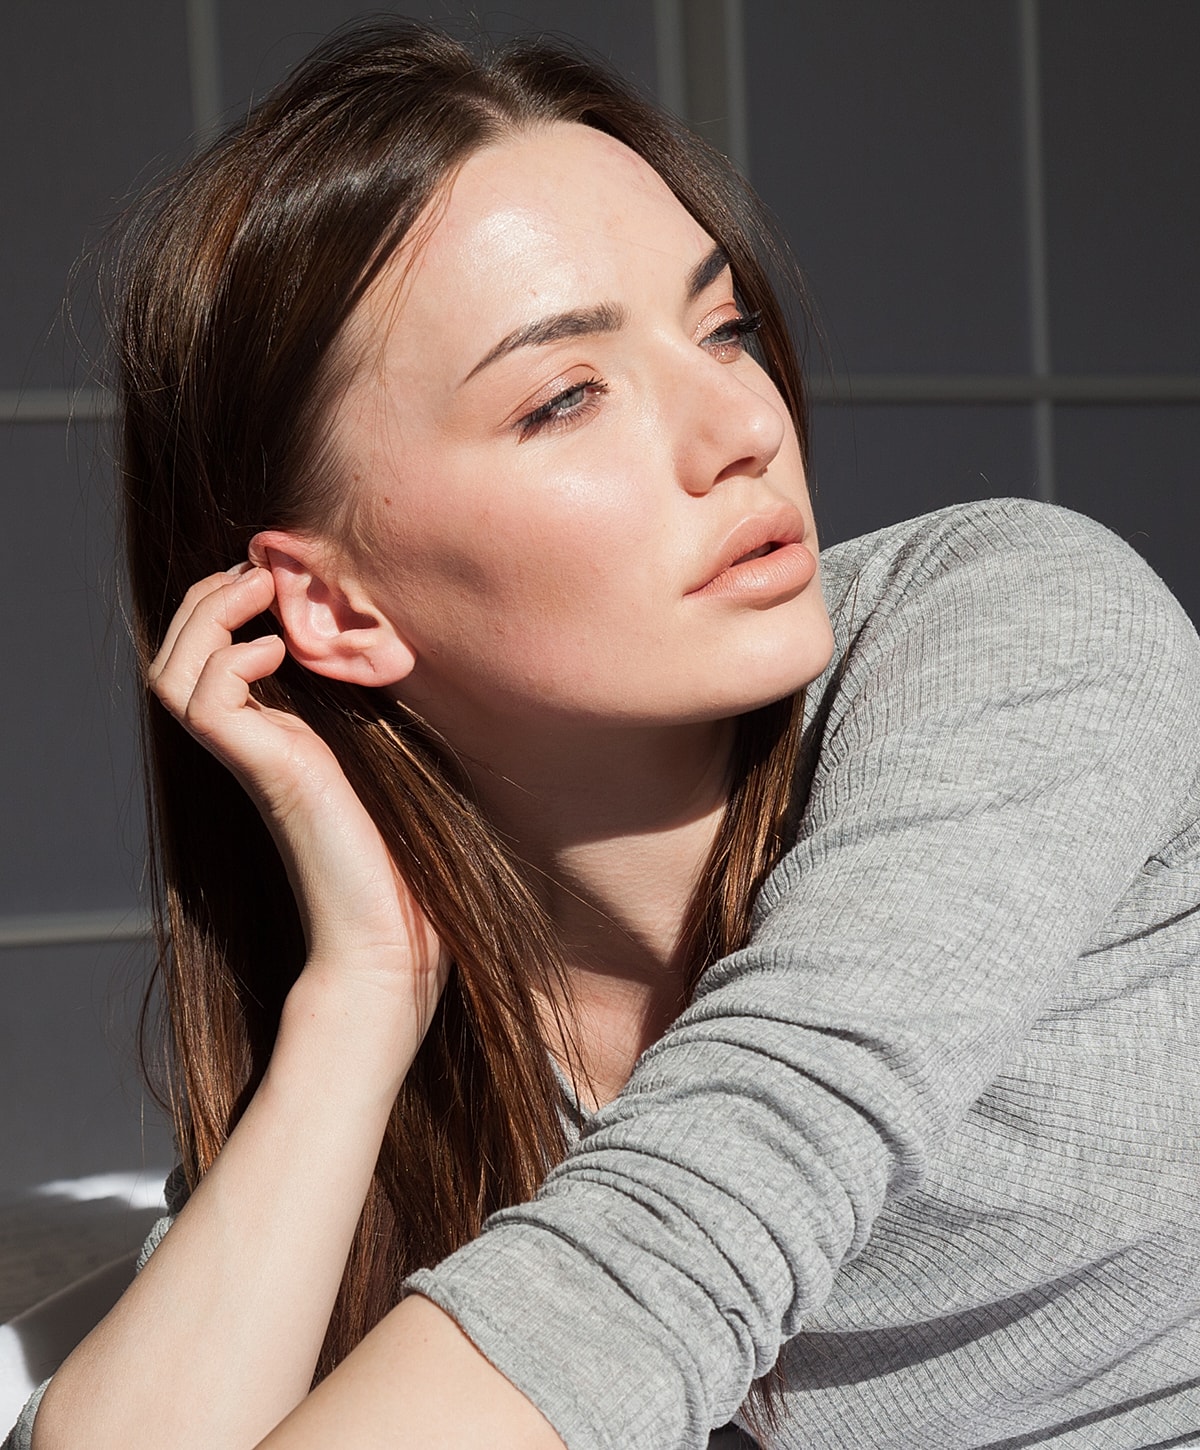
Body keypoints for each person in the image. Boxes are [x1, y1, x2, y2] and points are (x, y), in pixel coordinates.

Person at [10, 19, 1200, 1450]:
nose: (742, 425)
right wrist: (364, 992)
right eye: (566, 395)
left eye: (724, 327)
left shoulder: (1020, 628)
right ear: (330, 607)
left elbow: (683, 1243)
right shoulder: (429, 1047)